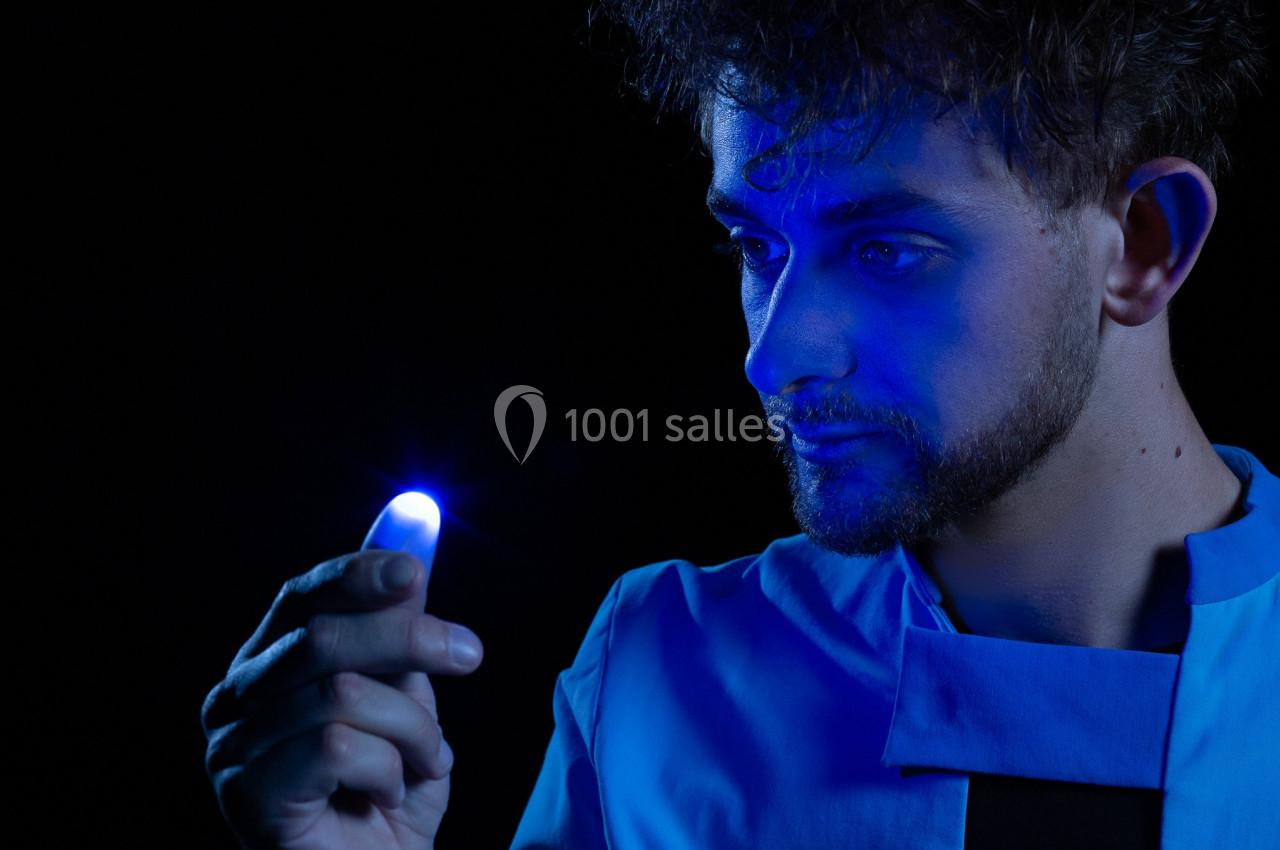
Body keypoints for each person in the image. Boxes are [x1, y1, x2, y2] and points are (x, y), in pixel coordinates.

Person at [202, 2, 1276, 848]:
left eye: (886, 250)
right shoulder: (663, 681)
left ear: (1139, 244)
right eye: (757, 247)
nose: (775, 353)